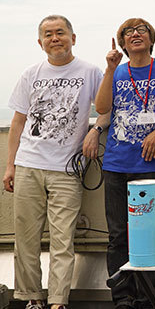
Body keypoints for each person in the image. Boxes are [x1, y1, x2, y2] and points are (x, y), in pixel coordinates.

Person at [3, 15, 107, 309]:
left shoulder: (90, 71)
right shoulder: (31, 73)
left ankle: (58, 301)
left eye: (60, 32)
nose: (54, 38)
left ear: (73, 38)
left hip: (66, 170)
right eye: (48, 34)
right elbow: (18, 121)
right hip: (28, 165)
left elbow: (106, 107)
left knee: (63, 241)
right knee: (25, 240)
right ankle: (32, 297)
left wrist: (95, 132)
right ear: (40, 42)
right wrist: (10, 166)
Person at [95, 18, 155, 309]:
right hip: (116, 163)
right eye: (128, 32)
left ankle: (147, 297)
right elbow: (102, 109)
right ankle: (122, 297)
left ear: (151, 38)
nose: (135, 35)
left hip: (149, 164)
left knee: (148, 231)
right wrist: (109, 68)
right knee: (118, 235)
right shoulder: (116, 72)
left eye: (141, 30)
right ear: (122, 43)